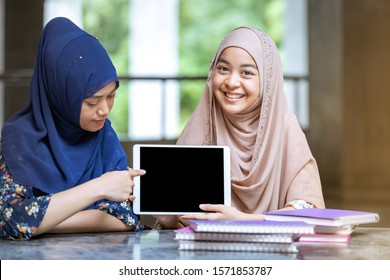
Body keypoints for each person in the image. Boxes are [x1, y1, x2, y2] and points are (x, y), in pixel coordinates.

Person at [155, 26, 325, 228]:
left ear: (268, 81)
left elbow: (309, 209)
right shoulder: (202, 126)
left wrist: (242, 221)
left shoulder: (284, 128)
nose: (231, 82)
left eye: (247, 72)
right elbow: (173, 216)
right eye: (223, 69)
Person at [0, 17, 147, 240]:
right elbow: (10, 219)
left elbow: (126, 217)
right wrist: (99, 188)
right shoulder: (18, 141)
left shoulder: (103, 135)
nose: (105, 110)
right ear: (61, 93)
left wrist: (42, 222)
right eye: (92, 101)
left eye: (111, 96)